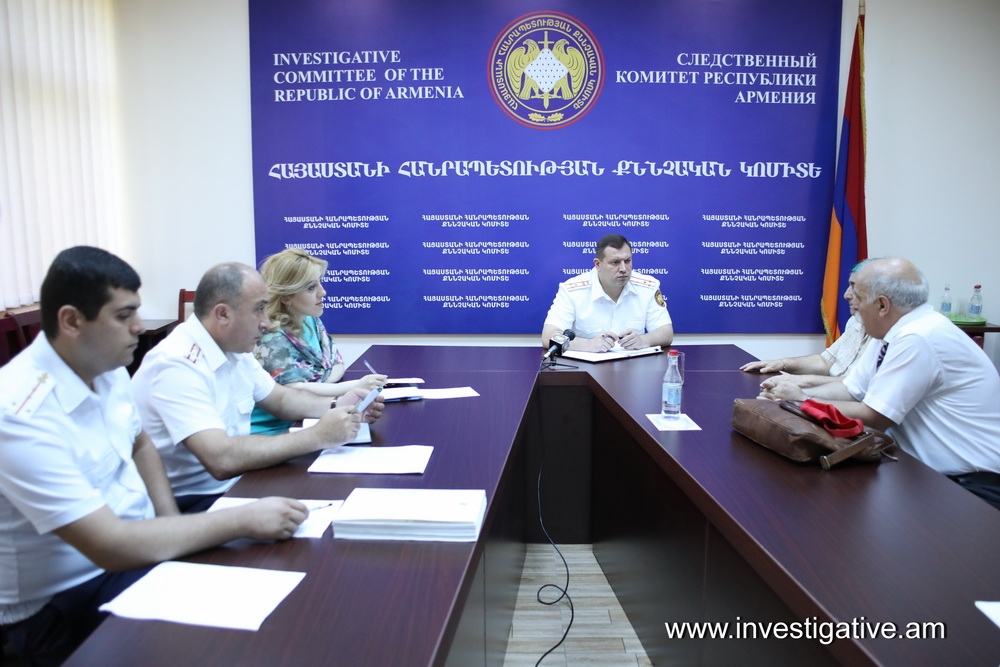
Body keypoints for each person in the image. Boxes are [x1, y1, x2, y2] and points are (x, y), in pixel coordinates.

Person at [0, 247, 308, 665]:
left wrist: (169, 521)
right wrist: (240, 519)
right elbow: (109, 546)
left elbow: (139, 442)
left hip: (134, 552)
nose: (138, 327)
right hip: (60, 601)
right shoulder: (18, 410)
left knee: (276, 588)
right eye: (123, 316)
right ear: (71, 321)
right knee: (224, 643)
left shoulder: (105, 367)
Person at [131, 262, 384, 512]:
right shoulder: (177, 364)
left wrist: (338, 405)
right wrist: (318, 436)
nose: (267, 323)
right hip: (197, 500)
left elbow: (281, 400)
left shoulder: (233, 347)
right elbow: (221, 459)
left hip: (237, 481)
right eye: (259, 310)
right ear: (223, 314)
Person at [759, 257, 1000, 510]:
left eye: (859, 297)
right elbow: (851, 389)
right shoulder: (890, 331)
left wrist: (801, 400)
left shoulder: (919, 336)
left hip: (971, 486)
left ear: (882, 305)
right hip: (922, 474)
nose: (851, 301)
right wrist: (793, 392)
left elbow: (875, 416)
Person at [251, 248, 387, 434]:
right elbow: (294, 391)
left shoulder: (311, 320)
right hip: (275, 431)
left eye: (319, 283)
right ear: (286, 296)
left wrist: (316, 384)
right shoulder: (271, 337)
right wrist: (354, 386)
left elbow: (337, 364)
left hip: (310, 416)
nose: (322, 292)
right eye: (311, 288)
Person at [741, 261, 872, 385]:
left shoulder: (883, 339)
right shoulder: (855, 321)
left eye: (855, 287)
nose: (846, 295)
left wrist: (799, 381)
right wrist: (782, 363)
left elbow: (857, 386)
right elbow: (825, 362)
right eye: (849, 285)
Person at [541, 233, 673, 353]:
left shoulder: (648, 287)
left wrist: (643, 340)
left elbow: (666, 332)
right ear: (598, 264)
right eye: (615, 262)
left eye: (627, 261)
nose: (623, 268)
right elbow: (548, 336)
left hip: (634, 367)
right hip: (586, 368)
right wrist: (588, 344)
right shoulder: (572, 290)